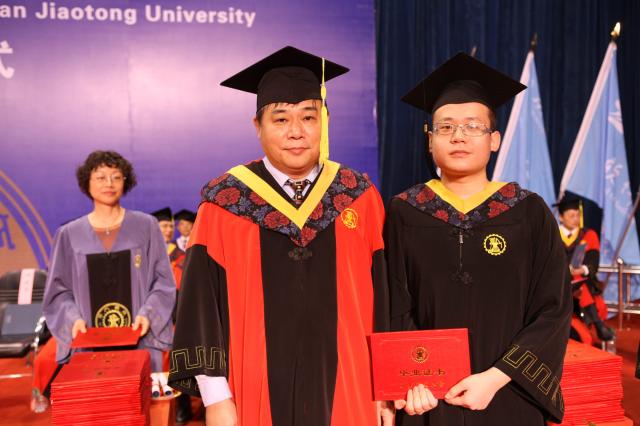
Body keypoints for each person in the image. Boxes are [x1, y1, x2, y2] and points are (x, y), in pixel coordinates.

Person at [168, 46, 393, 426]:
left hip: (352, 388)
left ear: (324, 121)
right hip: (252, 391)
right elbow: (200, 304)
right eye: (281, 119)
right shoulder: (226, 202)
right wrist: (216, 398)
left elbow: (385, 299)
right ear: (257, 125)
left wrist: (384, 387)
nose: (296, 132)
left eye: (309, 117)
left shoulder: (358, 195)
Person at [385, 53, 572, 425]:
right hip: (429, 398)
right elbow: (393, 304)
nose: (458, 136)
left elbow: (553, 309)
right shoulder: (405, 212)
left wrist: (496, 377)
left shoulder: (528, 212)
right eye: (446, 127)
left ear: (494, 140)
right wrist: (413, 380)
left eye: (473, 126)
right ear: (430, 141)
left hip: (508, 393)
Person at [43, 150, 176, 373]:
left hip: (140, 340)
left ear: (126, 181)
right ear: (87, 182)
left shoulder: (146, 226)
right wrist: (73, 320)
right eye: (100, 177)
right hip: (88, 343)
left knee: (139, 392)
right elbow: (58, 292)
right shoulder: (69, 234)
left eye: (116, 177)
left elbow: (163, 282)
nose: (109, 184)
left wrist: (148, 314)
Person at [555, 195, 614, 343]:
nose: (576, 219)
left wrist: (583, 269)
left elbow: (593, 260)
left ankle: (596, 325)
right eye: (571, 215)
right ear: (561, 217)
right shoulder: (553, 235)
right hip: (558, 282)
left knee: (578, 280)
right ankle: (598, 324)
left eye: (578, 215)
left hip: (582, 280)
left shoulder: (588, 235)